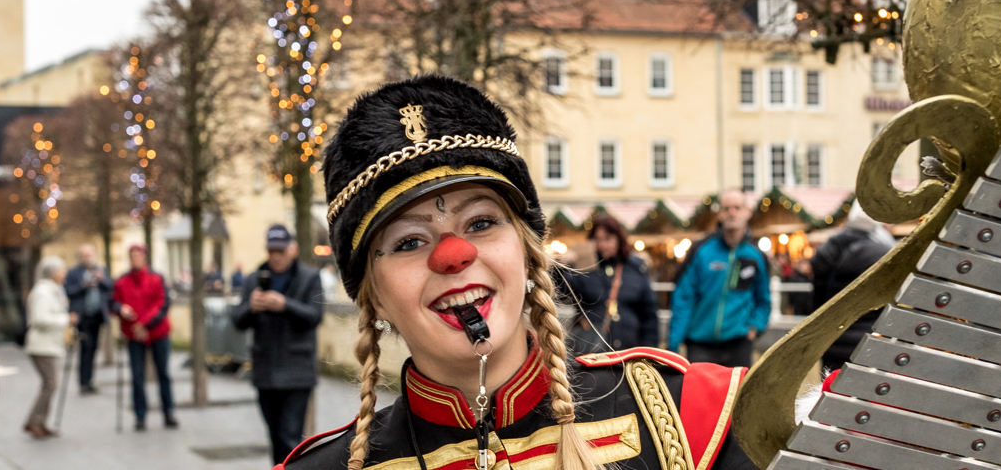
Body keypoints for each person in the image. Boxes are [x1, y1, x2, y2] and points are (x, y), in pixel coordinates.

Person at [282, 75, 752, 470]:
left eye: (481, 223)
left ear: (528, 255)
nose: (454, 255)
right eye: (408, 242)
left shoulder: (690, 415)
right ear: (375, 297)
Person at [232, 224, 324, 464]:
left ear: (292, 249)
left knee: (290, 437)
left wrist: (284, 304)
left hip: (297, 372)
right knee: (275, 436)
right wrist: (251, 307)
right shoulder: (254, 278)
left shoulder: (310, 277)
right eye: (272, 251)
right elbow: (238, 320)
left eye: (280, 251)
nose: (275, 256)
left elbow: (315, 316)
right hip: (265, 370)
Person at [668, 191, 772, 368]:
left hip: (738, 343)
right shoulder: (701, 251)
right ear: (719, 214)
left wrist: (755, 327)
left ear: (748, 212)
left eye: (737, 208)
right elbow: (683, 298)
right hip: (700, 344)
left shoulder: (756, 256)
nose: (732, 213)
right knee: (698, 396)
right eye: (726, 208)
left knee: (737, 395)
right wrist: (673, 344)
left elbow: (763, 299)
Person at [807, 205, 896, 371]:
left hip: (830, 338)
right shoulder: (882, 253)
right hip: (868, 339)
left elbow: (817, 296)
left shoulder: (829, 248)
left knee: (831, 388)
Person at [558, 216, 660, 354]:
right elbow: (560, 294)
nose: (602, 245)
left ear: (619, 239)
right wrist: (562, 266)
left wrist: (650, 351)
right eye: (597, 239)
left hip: (629, 350)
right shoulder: (584, 268)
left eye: (608, 239)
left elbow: (649, 315)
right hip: (591, 351)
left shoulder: (635, 268)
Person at [111, 244, 176, 430]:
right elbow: (113, 302)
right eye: (132, 256)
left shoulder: (157, 278)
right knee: (137, 376)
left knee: (163, 373)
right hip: (134, 335)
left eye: (138, 255)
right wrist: (121, 309)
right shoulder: (122, 281)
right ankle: (140, 415)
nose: (135, 259)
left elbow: (162, 303)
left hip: (157, 332)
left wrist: (145, 324)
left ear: (145, 257)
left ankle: (168, 412)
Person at [23, 255, 70, 439]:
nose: (64, 273)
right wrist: (66, 320)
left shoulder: (54, 290)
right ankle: (34, 421)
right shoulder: (43, 292)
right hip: (42, 346)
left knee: (49, 384)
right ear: (53, 273)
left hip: (50, 344)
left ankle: (40, 422)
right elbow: (40, 319)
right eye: (61, 270)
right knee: (50, 384)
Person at [62, 244, 112, 395]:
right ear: (80, 257)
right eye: (84, 255)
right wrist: (83, 285)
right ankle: (83, 382)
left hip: (97, 315)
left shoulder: (100, 270)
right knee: (86, 348)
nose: (87, 258)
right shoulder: (73, 272)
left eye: (89, 255)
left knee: (94, 348)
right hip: (82, 317)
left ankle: (90, 381)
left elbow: (110, 287)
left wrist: (101, 280)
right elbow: (68, 291)